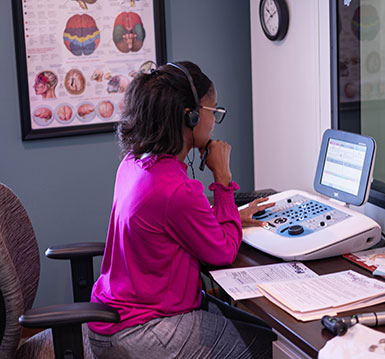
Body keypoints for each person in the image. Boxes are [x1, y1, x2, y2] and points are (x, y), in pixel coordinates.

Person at [88, 61, 276, 359]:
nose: (214, 123)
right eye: (214, 112)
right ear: (190, 117)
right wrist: (223, 180)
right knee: (268, 345)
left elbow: (172, 226)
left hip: (113, 316)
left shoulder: (133, 163)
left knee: (254, 325)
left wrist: (228, 216)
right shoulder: (176, 189)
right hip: (141, 330)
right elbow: (223, 252)